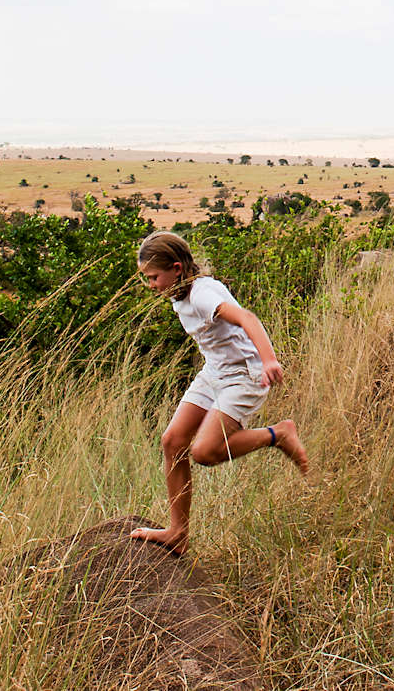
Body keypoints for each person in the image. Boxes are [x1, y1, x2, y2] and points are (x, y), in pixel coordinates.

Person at [130, 231, 308, 554]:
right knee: (172, 442)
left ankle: (278, 434)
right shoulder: (178, 293)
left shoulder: (202, 294)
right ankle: (178, 533)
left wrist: (268, 360)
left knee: (205, 451)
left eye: (154, 277)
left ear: (176, 268)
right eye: (147, 279)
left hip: (244, 374)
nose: (151, 285)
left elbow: (245, 318)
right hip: (215, 371)